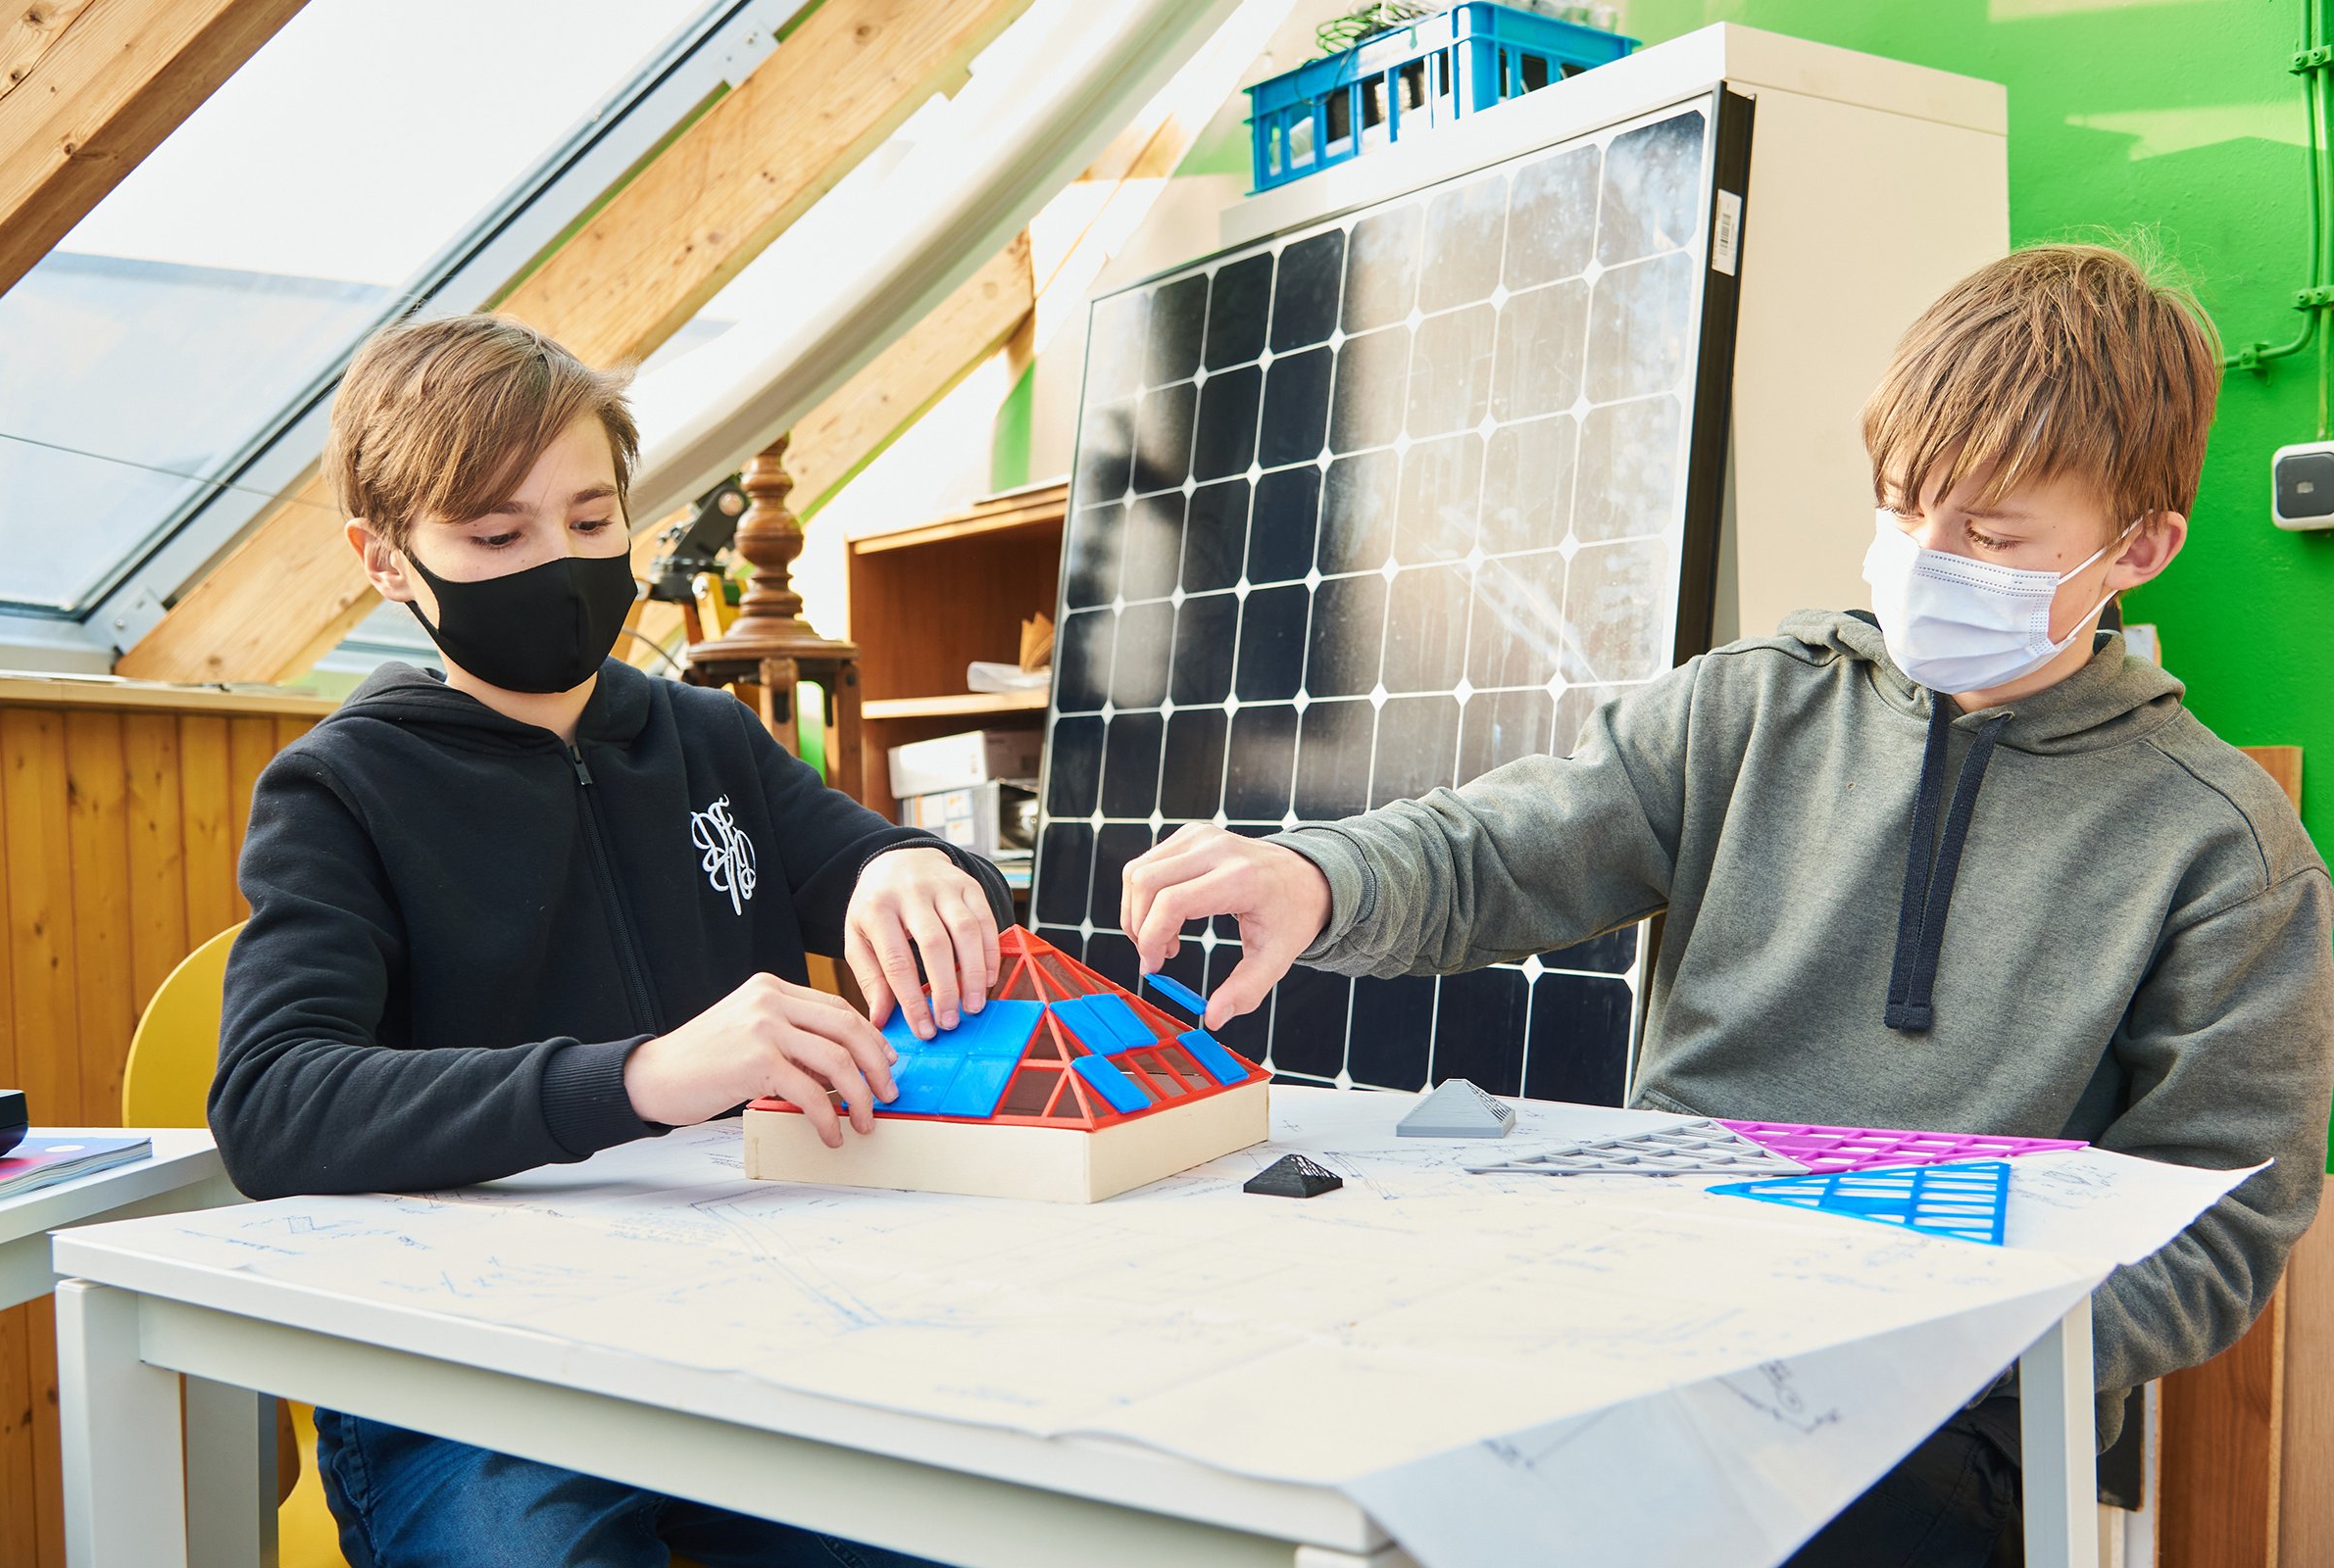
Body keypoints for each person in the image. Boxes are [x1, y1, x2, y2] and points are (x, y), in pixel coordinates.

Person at [1117, 243, 2334, 1564]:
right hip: (1649, 1318)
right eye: (1905, 505)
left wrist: (1954, 1329)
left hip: (1949, 1405)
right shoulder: (1752, 706)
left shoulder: (2226, 852)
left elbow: (2225, 1222)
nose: (1928, 558)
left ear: (2140, 547)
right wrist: (1318, 875)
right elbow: (1500, 851)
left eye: (1991, 535)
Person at [210, 313, 1006, 1568]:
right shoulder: (338, 789)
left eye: (590, 523)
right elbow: (271, 1101)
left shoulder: (706, 738)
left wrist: (916, 868)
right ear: (383, 559)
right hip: (464, 1377)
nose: (559, 561)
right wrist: (641, 1076)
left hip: (762, 1321)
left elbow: (891, 875)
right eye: (495, 534)